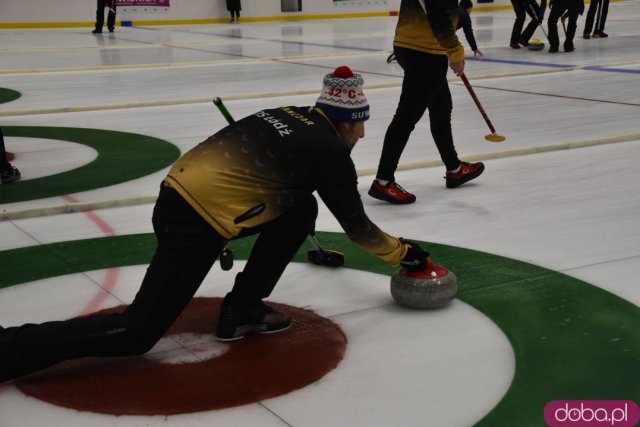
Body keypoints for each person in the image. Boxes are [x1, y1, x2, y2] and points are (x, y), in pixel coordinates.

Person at [0, 66, 436, 383]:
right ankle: (10, 348)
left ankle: (243, 307)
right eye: (360, 126)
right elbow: (357, 227)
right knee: (136, 332)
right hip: (193, 221)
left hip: (180, 194)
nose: (361, 136)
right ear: (346, 121)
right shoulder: (329, 152)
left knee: (301, 209)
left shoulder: (287, 113)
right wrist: (405, 254)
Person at [369, 0, 484, 205]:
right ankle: (384, 181)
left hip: (417, 47)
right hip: (425, 51)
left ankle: (454, 169)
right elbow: (439, 17)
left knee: (441, 109)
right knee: (406, 118)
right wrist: (455, 51)